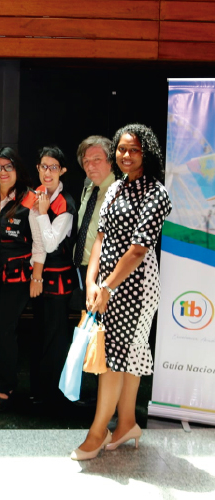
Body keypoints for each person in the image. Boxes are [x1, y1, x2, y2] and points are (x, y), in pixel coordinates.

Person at [73, 124, 172, 460]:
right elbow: (100, 239)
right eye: (122, 149)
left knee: (115, 357)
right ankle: (127, 422)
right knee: (126, 353)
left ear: (147, 154)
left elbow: (138, 250)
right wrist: (91, 283)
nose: (126, 155)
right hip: (106, 285)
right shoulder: (114, 189)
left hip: (137, 287)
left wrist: (106, 286)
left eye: (134, 150)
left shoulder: (156, 193)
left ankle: (97, 432)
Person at [0, 147, 44, 410]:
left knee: (5, 329)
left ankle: (7, 385)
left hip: (18, 278)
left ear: (17, 168)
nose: (2, 172)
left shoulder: (31, 200)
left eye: (7, 166)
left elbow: (39, 244)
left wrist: (36, 278)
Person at [30, 146, 78, 404]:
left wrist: (40, 214)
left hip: (58, 280)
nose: (48, 172)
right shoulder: (37, 194)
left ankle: (51, 394)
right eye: (43, 167)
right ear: (37, 168)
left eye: (54, 168)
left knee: (55, 337)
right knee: (38, 333)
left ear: (63, 171)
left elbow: (49, 244)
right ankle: (39, 390)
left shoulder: (65, 203)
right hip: (38, 277)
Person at [72, 135, 117, 406]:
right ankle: (95, 396)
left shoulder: (121, 190)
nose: (90, 166)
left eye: (96, 160)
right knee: (92, 333)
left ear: (111, 160)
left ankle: (109, 404)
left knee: (108, 338)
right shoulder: (89, 186)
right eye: (86, 162)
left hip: (108, 273)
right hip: (85, 268)